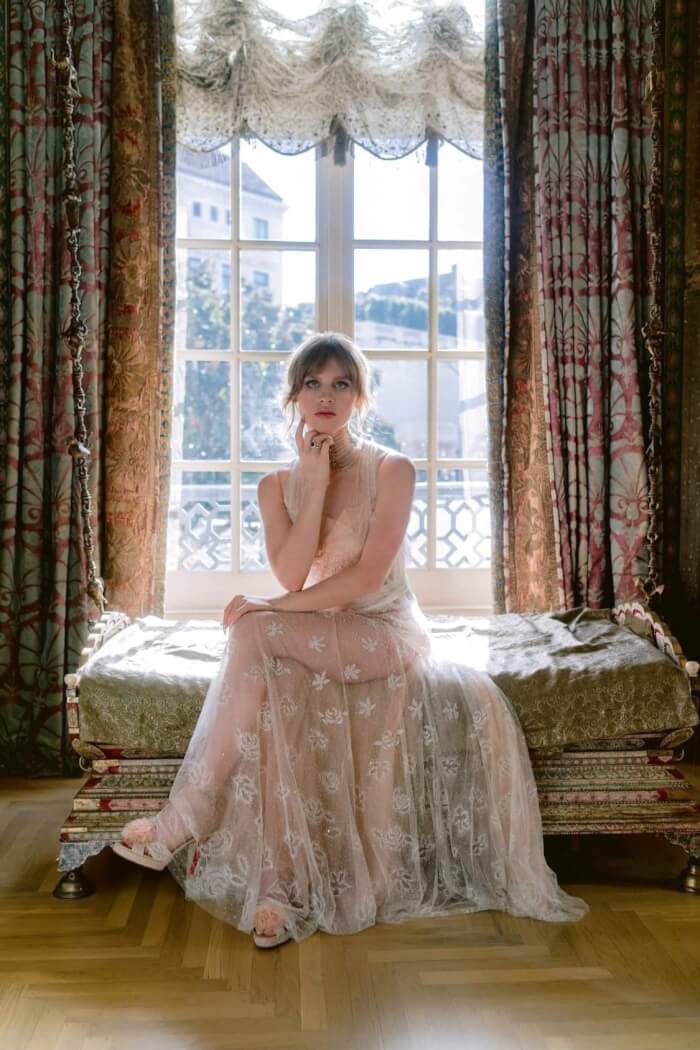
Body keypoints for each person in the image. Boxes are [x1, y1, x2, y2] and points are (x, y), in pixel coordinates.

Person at [113, 331, 589, 947]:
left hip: (382, 632)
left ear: (360, 397)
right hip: (318, 635)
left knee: (257, 630)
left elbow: (364, 578)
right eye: (313, 383)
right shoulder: (274, 486)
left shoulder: (392, 470)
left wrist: (271, 609)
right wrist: (312, 483)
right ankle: (279, 891)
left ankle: (185, 818)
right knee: (280, 682)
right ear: (293, 396)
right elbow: (293, 574)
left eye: (341, 384)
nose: (326, 396)